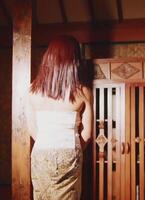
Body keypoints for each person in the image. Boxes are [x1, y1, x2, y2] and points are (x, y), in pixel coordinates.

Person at [26, 35, 93, 200]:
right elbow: (87, 134)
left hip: (41, 152)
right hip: (69, 151)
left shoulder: (32, 90)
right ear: (74, 61)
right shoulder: (83, 91)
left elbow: (33, 129)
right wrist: (73, 149)